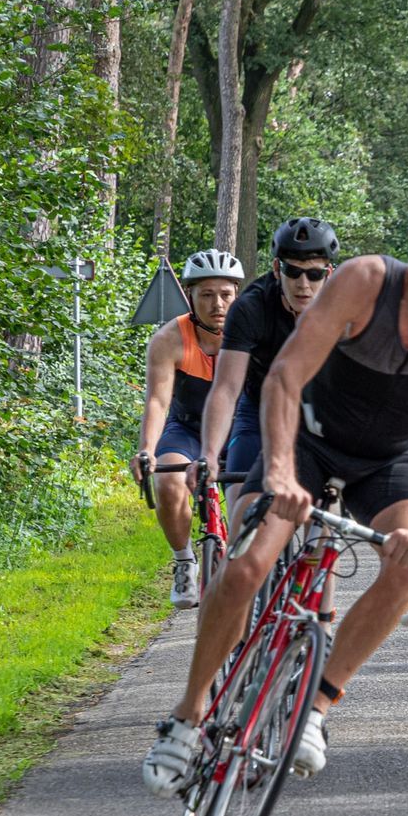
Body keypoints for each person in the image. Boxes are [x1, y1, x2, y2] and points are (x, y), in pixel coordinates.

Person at [142, 189, 408, 796]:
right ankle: (186, 719)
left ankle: (314, 706)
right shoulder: (366, 282)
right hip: (308, 444)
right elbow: (285, 376)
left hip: (389, 462)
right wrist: (283, 473)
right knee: (246, 566)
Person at [129, 249, 245, 609]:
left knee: (248, 496)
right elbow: (158, 402)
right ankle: (184, 562)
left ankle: (249, 569)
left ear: (237, 295)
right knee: (168, 480)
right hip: (188, 427)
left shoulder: (253, 333)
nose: (217, 304)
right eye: (207, 295)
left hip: (239, 426)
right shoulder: (170, 338)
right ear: (190, 296)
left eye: (225, 294)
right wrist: (147, 449)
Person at [196, 217, 340, 488]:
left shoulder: (344, 307)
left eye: (314, 274)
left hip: (323, 410)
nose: (303, 284)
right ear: (276, 268)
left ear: (329, 274)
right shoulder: (251, 308)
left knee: (322, 503)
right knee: (239, 490)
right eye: (293, 272)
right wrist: (210, 454)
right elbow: (226, 388)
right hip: (259, 407)